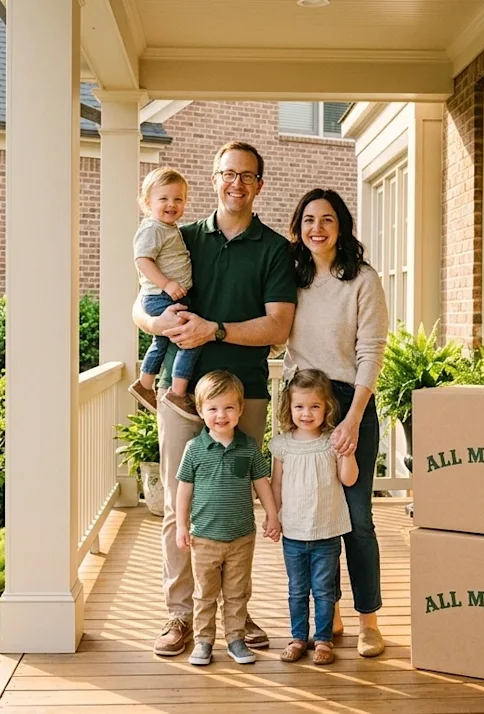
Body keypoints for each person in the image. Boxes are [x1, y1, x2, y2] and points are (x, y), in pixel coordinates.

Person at [132, 141, 297, 657]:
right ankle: (180, 616)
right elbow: (141, 299)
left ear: (259, 186)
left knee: (237, 506)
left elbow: (278, 326)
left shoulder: (274, 249)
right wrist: (152, 321)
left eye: (247, 176)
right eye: (228, 174)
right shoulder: (181, 234)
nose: (236, 183)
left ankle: (236, 617)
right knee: (176, 502)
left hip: (244, 389)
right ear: (214, 179)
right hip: (183, 396)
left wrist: (215, 330)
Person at [283, 188, 389, 657]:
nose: (317, 228)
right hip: (301, 403)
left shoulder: (363, 280)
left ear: (341, 226)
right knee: (311, 515)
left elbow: (371, 352)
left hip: (349, 402)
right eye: (308, 219)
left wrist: (351, 418)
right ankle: (330, 614)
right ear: (298, 226)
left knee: (358, 519)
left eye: (327, 219)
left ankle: (369, 620)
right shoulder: (290, 278)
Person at [175, 371, 281, 666]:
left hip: (241, 537)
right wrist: (182, 526)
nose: (221, 415)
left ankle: (235, 639)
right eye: (213, 408)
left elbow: (262, 483)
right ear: (200, 411)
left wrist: (272, 516)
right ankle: (203, 641)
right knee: (205, 594)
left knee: (237, 593)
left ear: (240, 410)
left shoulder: (248, 447)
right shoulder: (194, 450)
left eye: (229, 408)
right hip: (205, 538)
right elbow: (184, 491)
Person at [269, 369, 356, 666]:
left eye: (314, 406)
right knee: (296, 589)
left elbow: (349, 479)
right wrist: (273, 517)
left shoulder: (332, 441)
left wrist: (348, 453)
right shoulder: (282, 445)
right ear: (289, 408)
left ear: (327, 408)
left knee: (323, 590)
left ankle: (322, 639)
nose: (306, 413)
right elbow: (276, 484)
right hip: (293, 532)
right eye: (299, 407)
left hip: (327, 532)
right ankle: (297, 638)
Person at [127, 167, 201, 421]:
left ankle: (144, 384)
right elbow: (143, 260)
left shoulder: (169, 229)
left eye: (178, 199)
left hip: (166, 296)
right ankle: (177, 392)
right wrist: (168, 284)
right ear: (147, 203)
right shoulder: (152, 229)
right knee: (191, 338)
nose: (172, 204)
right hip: (161, 295)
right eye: (164, 199)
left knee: (161, 341)